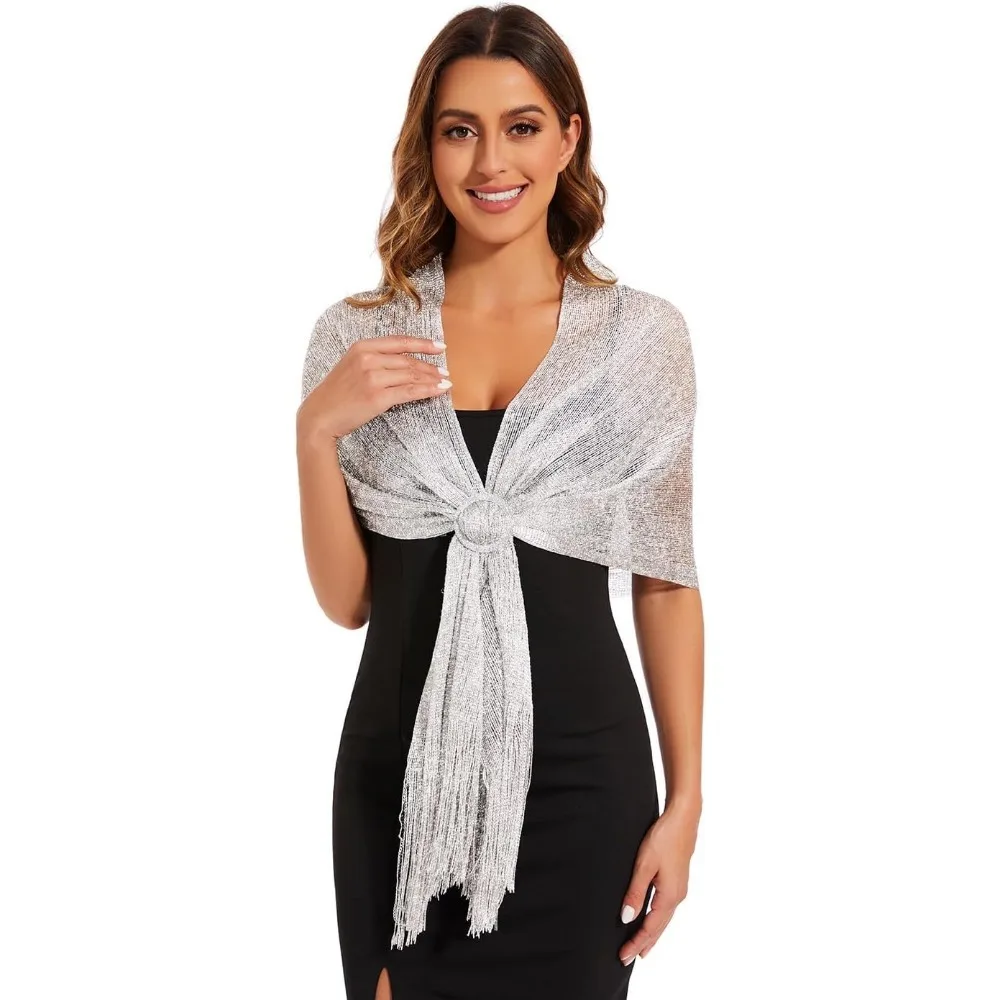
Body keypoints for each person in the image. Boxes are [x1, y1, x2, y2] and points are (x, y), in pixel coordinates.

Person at [296, 5, 704, 998]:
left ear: (568, 138)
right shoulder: (358, 338)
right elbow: (350, 601)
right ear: (427, 146)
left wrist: (686, 802)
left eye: (521, 126)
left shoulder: (638, 342)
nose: (490, 161)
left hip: (584, 793)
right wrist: (314, 431)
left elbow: (665, 580)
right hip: (402, 789)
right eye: (458, 129)